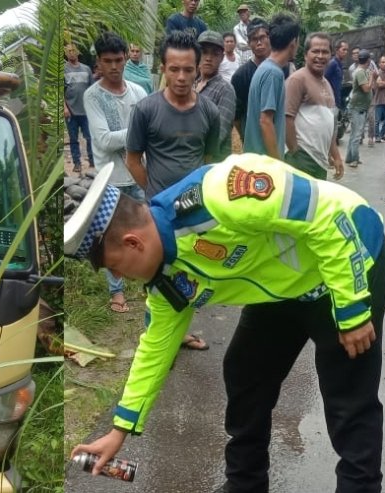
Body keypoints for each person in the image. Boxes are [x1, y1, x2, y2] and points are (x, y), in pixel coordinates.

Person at [67, 153, 385, 493]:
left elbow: (328, 217)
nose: (118, 276)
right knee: (245, 370)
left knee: (348, 396)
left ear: (133, 242)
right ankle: (245, 484)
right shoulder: (166, 281)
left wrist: (352, 310)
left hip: (349, 256)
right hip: (286, 287)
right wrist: (120, 429)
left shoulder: (222, 193)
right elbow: (155, 348)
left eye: (114, 267)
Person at [126, 30, 220, 350]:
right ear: (163, 69)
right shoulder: (146, 110)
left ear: (198, 69)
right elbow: (133, 159)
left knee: (192, 273)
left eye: (188, 70)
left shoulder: (209, 112)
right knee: (156, 275)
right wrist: (157, 197)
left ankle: (179, 332)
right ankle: (155, 336)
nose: (181, 77)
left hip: (196, 211)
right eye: (174, 69)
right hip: (158, 212)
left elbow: (209, 162)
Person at [83, 32, 149, 312]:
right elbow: (103, 140)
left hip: (139, 174)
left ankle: (150, 283)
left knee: (147, 229)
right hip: (110, 179)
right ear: (98, 62)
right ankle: (116, 292)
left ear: (126, 59)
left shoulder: (139, 92)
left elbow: (150, 134)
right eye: (107, 61)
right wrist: (137, 132)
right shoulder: (93, 96)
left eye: (118, 60)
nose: (114, 66)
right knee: (110, 236)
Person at [284, 32, 344, 181]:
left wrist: (336, 156)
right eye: (315, 51)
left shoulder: (327, 84)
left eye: (325, 52)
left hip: (320, 161)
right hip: (302, 158)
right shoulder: (297, 79)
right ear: (305, 55)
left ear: (330, 55)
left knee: (315, 203)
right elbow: (286, 118)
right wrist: (294, 152)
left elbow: (329, 124)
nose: (320, 56)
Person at [244, 13, 301, 159]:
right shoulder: (273, 73)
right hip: (264, 165)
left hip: (257, 159)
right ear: (293, 43)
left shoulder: (265, 68)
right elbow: (265, 121)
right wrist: (277, 163)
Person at [196, 30, 237, 162]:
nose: (208, 58)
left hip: (213, 165)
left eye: (215, 53)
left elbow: (220, 133)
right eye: (204, 52)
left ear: (221, 57)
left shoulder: (225, 90)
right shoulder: (191, 85)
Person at [231, 17, 270, 141]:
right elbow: (237, 115)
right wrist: (245, 138)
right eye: (254, 39)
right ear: (249, 43)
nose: (259, 43)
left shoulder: (283, 69)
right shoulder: (241, 75)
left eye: (262, 37)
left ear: (270, 38)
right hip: (253, 138)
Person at [64, 43, 95, 174]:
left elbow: (92, 89)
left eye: (73, 50)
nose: (71, 53)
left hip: (86, 111)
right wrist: (65, 108)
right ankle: (77, 163)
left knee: (90, 137)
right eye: (68, 51)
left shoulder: (86, 69)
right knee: (73, 139)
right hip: (71, 111)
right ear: (65, 53)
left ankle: (93, 161)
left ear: (78, 52)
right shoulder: (64, 70)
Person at [345, 50, 372, 168]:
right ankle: (354, 159)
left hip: (359, 106)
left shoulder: (362, 71)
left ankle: (349, 157)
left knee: (354, 134)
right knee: (357, 135)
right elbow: (366, 89)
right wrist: (372, 78)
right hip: (358, 108)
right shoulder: (361, 72)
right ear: (368, 60)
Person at [372, 55, 385, 143]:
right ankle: (377, 136)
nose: (384, 64)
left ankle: (382, 134)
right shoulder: (376, 73)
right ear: (379, 64)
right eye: (383, 62)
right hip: (378, 100)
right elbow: (379, 85)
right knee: (377, 120)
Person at [325, 39, 348, 115]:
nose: (346, 52)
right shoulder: (332, 64)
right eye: (343, 49)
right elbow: (324, 80)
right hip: (331, 103)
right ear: (337, 50)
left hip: (337, 101)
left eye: (347, 50)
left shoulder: (339, 64)